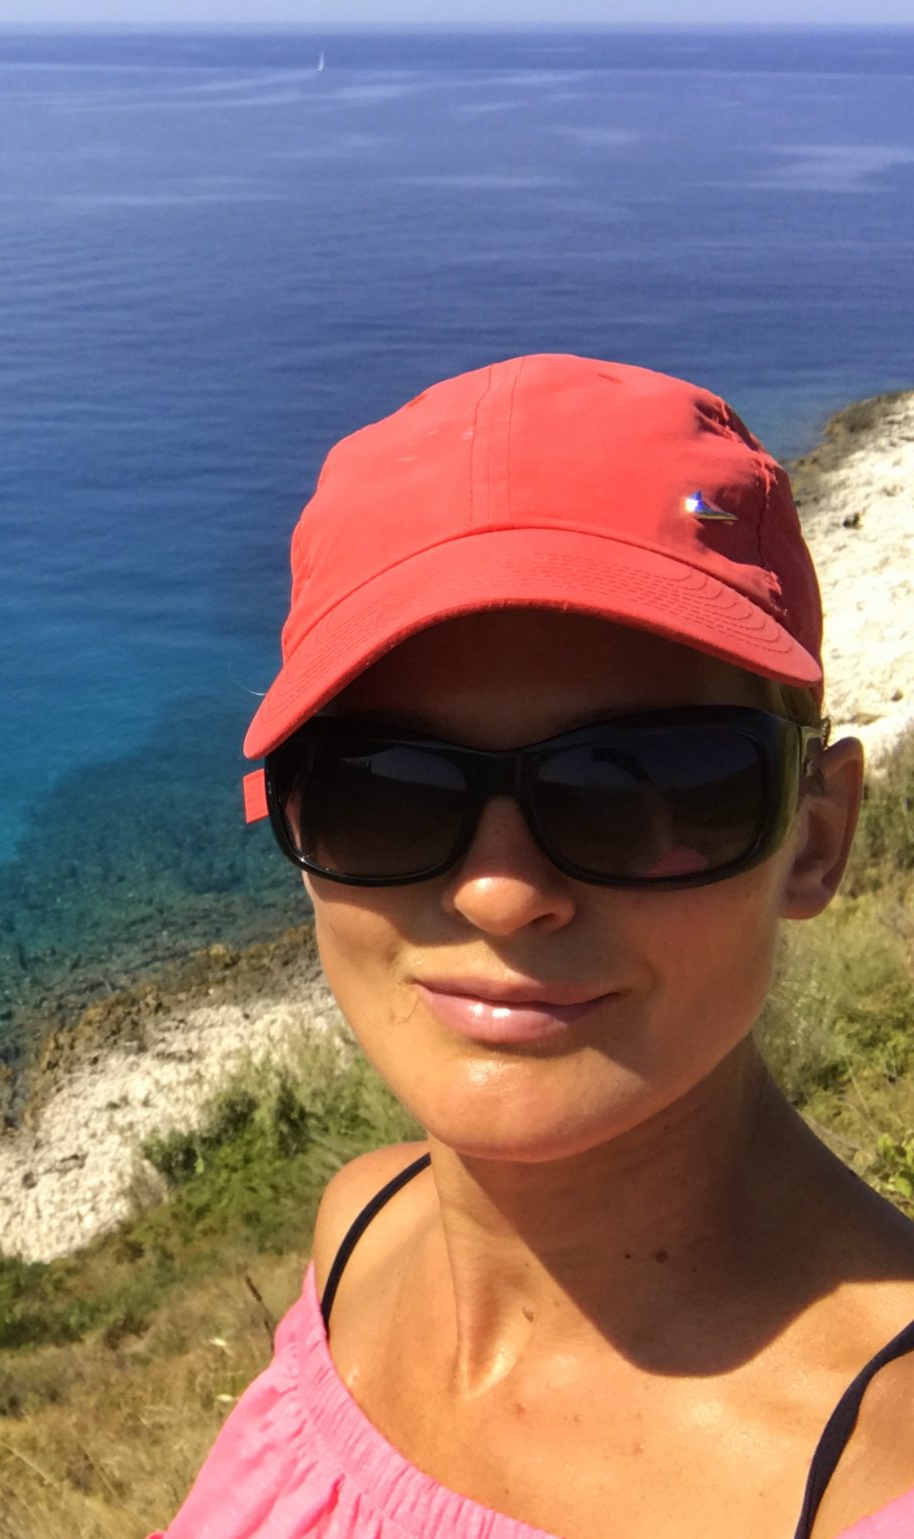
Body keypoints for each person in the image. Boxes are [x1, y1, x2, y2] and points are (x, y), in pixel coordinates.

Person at [153, 354, 914, 1539]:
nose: (500, 893)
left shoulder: (878, 1466)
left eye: (647, 782)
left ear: (814, 839)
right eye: (382, 788)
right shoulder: (359, 1235)